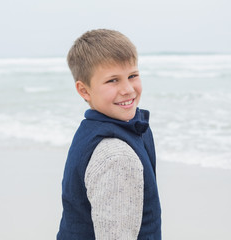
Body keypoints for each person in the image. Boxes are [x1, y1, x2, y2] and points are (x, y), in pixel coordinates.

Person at [57, 29, 161, 240]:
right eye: (113, 80)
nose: (128, 89)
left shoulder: (92, 129)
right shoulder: (116, 156)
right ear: (84, 90)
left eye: (132, 76)